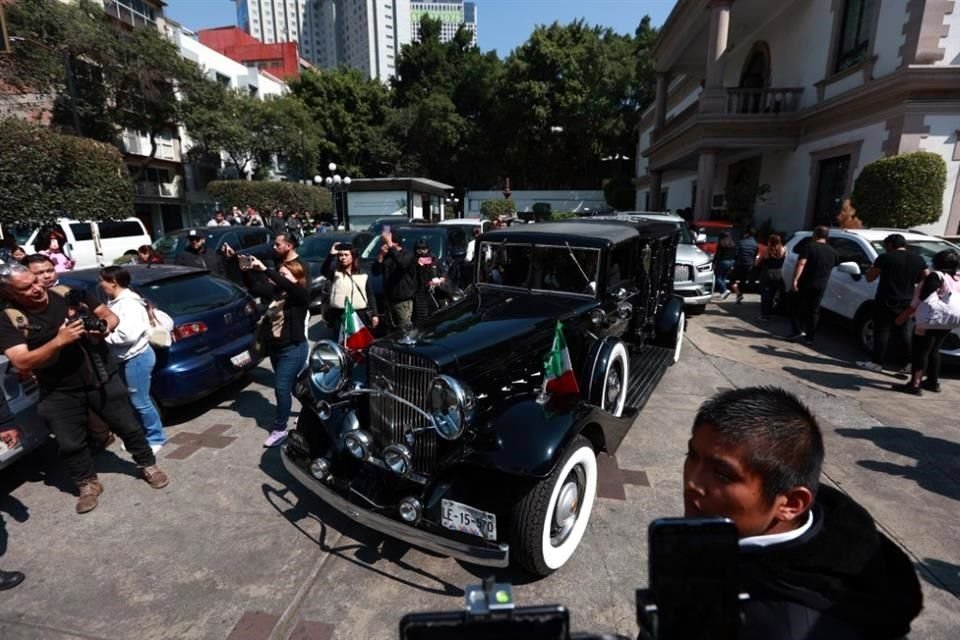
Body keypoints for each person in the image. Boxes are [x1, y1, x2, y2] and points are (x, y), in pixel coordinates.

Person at [684, 386, 923, 640]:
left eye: (722, 475)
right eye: (692, 455)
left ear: (791, 504)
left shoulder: (782, 627)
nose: (692, 483)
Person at [0, 264, 169, 513]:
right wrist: (59, 341)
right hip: (58, 389)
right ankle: (87, 483)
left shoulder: (68, 292)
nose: (37, 288)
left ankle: (147, 464)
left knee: (128, 426)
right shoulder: (8, 319)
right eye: (26, 288)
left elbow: (110, 316)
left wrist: (103, 328)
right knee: (70, 443)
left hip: (101, 377)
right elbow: (21, 361)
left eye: (35, 280)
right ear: (10, 294)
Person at [241, 256, 309, 448]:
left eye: (284, 275)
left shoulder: (300, 294)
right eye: (279, 275)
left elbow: (289, 286)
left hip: (294, 349)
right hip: (276, 349)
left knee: (281, 388)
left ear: (296, 277)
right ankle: (314, 409)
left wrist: (265, 269)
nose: (279, 278)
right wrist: (246, 269)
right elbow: (254, 288)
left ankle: (280, 429)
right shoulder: (277, 293)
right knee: (293, 384)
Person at [99, 267, 167, 452]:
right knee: (134, 400)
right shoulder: (114, 301)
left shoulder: (128, 304)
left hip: (136, 358)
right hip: (125, 358)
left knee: (140, 401)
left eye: (102, 280)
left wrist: (102, 336)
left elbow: (127, 335)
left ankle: (156, 438)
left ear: (113, 282)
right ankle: (142, 435)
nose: (100, 284)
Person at [857, 234, 928, 373]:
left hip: (885, 299)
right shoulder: (918, 259)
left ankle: (876, 362)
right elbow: (926, 278)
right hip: (906, 301)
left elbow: (870, 277)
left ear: (890, 244)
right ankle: (907, 363)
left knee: (882, 331)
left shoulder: (885, 258)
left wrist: (872, 268)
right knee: (902, 333)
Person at [893, 249, 960, 395]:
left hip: (929, 320)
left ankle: (914, 384)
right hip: (948, 320)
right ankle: (932, 382)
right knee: (934, 350)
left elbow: (922, 300)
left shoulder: (936, 276)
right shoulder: (956, 278)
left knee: (920, 351)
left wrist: (902, 317)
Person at [788, 226, 838, 345]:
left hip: (806, 282)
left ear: (815, 235)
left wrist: (795, 280)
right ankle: (810, 337)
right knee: (814, 311)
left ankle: (797, 330)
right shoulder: (833, 251)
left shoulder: (809, 247)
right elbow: (834, 266)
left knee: (794, 306)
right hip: (821, 284)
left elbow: (801, 263)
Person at [321, 241, 378, 333]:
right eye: (340, 255)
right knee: (342, 344)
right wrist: (331, 255)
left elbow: (370, 295)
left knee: (359, 344)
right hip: (339, 314)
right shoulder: (335, 272)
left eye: (346, 255)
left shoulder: (363, 274)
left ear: (353, 256)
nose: (343, 258)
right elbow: (324, 270)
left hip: (359, 314)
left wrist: (375, 314)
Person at [372, 230, 416, 328]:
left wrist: (391, 246)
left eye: (387, 242)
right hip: (388, 300)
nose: (385, 245)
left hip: (402, 300)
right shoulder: (386, 255)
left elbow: (402, 264)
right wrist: (381, 256)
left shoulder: (407, 254)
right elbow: (375, 272)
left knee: (404, 328)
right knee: (390, 328)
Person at [411, 239, 452, 323]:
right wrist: (418, 265)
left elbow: (443, 272)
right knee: (421, 320)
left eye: (424, 249)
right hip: (420, 295)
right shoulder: (412, 261)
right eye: (419, 250)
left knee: (436, 318)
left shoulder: (433, 259)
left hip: (435, 294)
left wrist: (441, 279)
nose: (422, 252)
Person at [755, 234, 786, 321]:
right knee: (773, 294)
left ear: (770, 241)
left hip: (767, 273)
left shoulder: (766, 250)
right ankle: (771, 311)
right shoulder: (783, 249)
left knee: (765, 295)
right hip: (779, 273)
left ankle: (765, 315)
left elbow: (757, 262)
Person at [729, 227, 759, 304]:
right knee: (743, 281)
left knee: (732, 280)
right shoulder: (755, 244)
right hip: (749, 265)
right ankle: (739, 297)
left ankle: (738, 293)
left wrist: (733, 263)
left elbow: (736, 255)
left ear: (747, 234)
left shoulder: (741, 242)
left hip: (739, 264)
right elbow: (754, 255)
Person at [713, 232, 737, 298]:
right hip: (731, 262)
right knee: (723, 277)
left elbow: (717, 255)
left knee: (717, 278)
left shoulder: (721, 245)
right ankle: (723, 293)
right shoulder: (732, 244)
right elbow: (735, 255)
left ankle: (724, 290)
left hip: (723, 262)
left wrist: (714, 263)